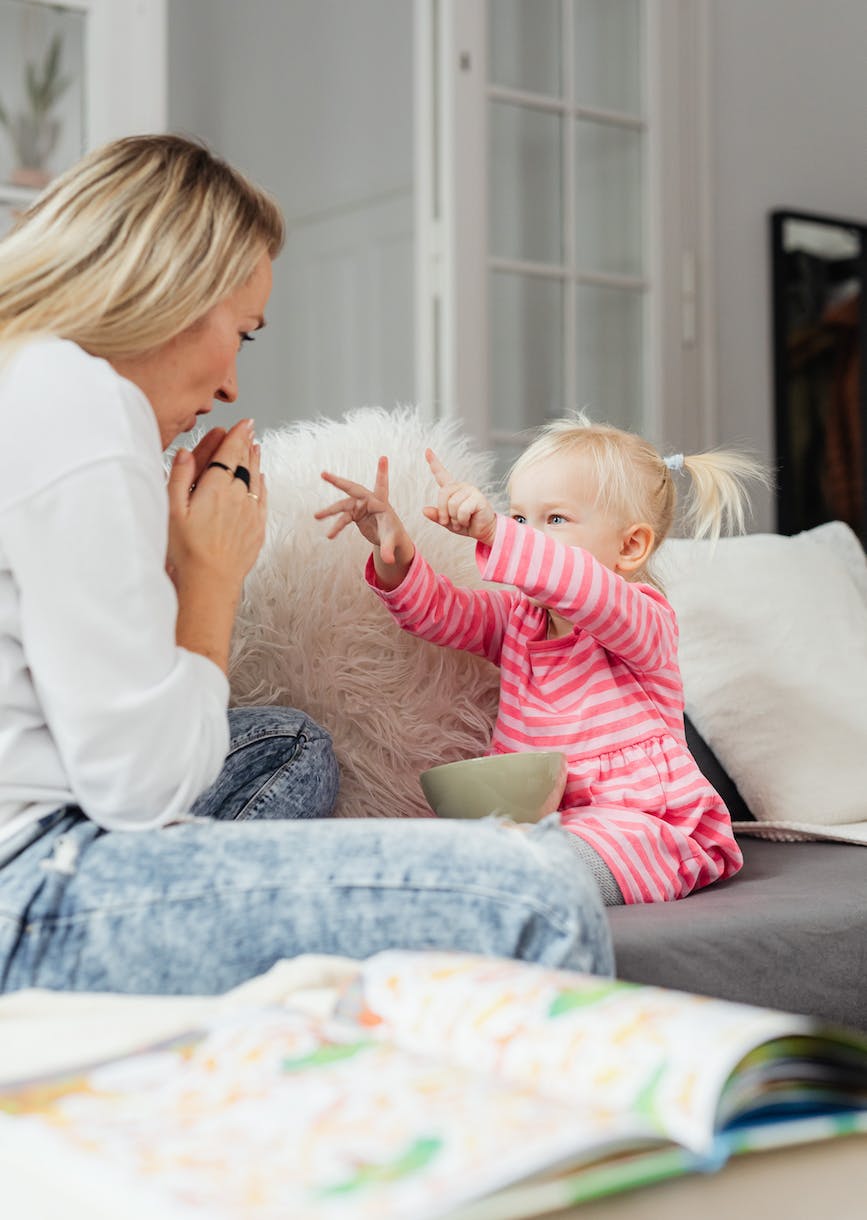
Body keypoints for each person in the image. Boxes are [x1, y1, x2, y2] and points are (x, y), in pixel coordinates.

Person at [0, 135, 612, 995]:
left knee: (287, 743)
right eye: (242, 332)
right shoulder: (83, 405)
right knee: (539, 891)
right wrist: (209, 576)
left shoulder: (25, 375)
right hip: (28, 889)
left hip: (47, 816)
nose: (231, 388)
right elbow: (140, 797)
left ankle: (223, 949)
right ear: (172, 292)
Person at [317, 415, 769, 907]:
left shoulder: (642, 619)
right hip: (538, 820)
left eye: (554, 519)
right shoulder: (519, 619)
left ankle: (524, 883)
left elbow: (582, 587)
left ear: (630, 546)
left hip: (642, 822)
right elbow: (440, 612)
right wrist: (394, 550)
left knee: (572, 855)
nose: (525, 534)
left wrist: (496, 532)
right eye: (518, 518)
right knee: (459, 850)